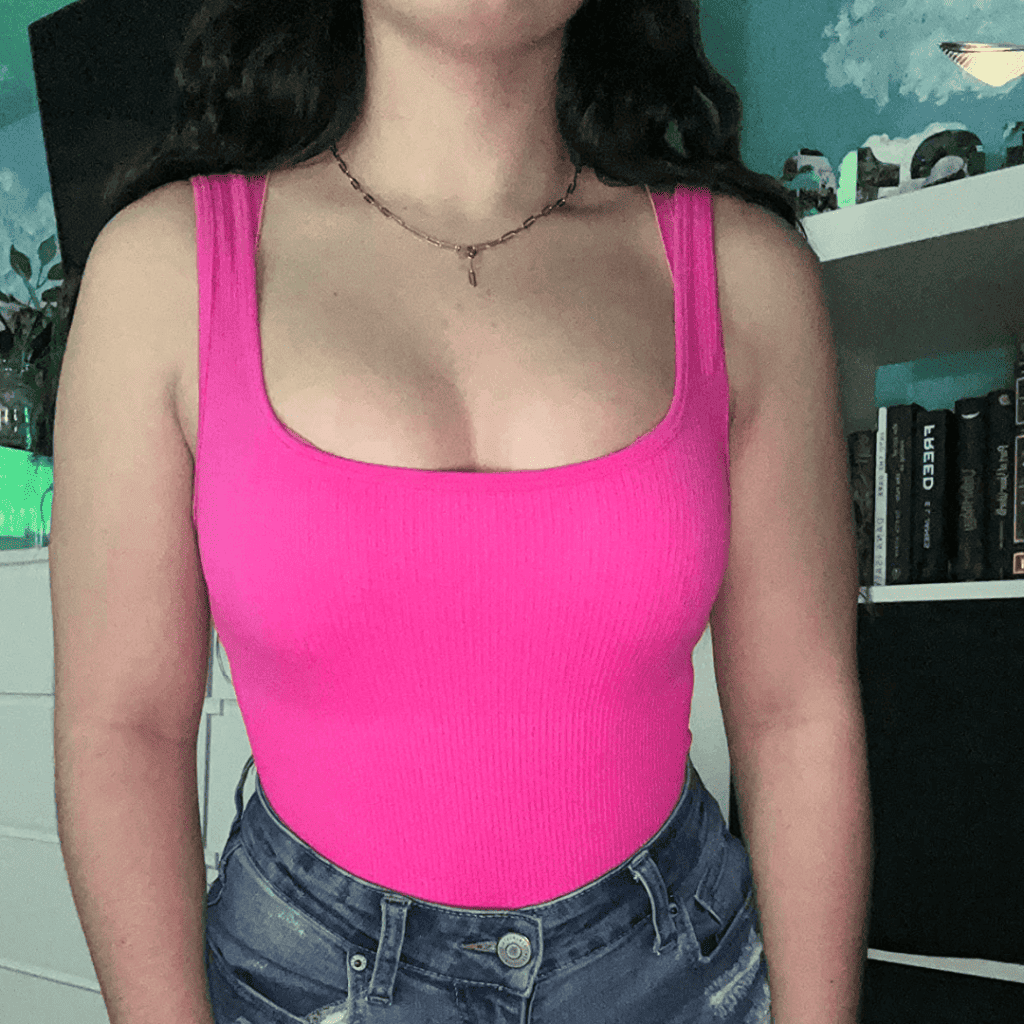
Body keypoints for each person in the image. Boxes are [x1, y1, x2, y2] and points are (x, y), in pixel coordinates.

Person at [50, 1, 873, 1022]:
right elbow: (122, 728)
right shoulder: (161, 269)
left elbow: (798, 713)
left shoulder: (748, 275)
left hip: (673, 977)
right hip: (293, 986)